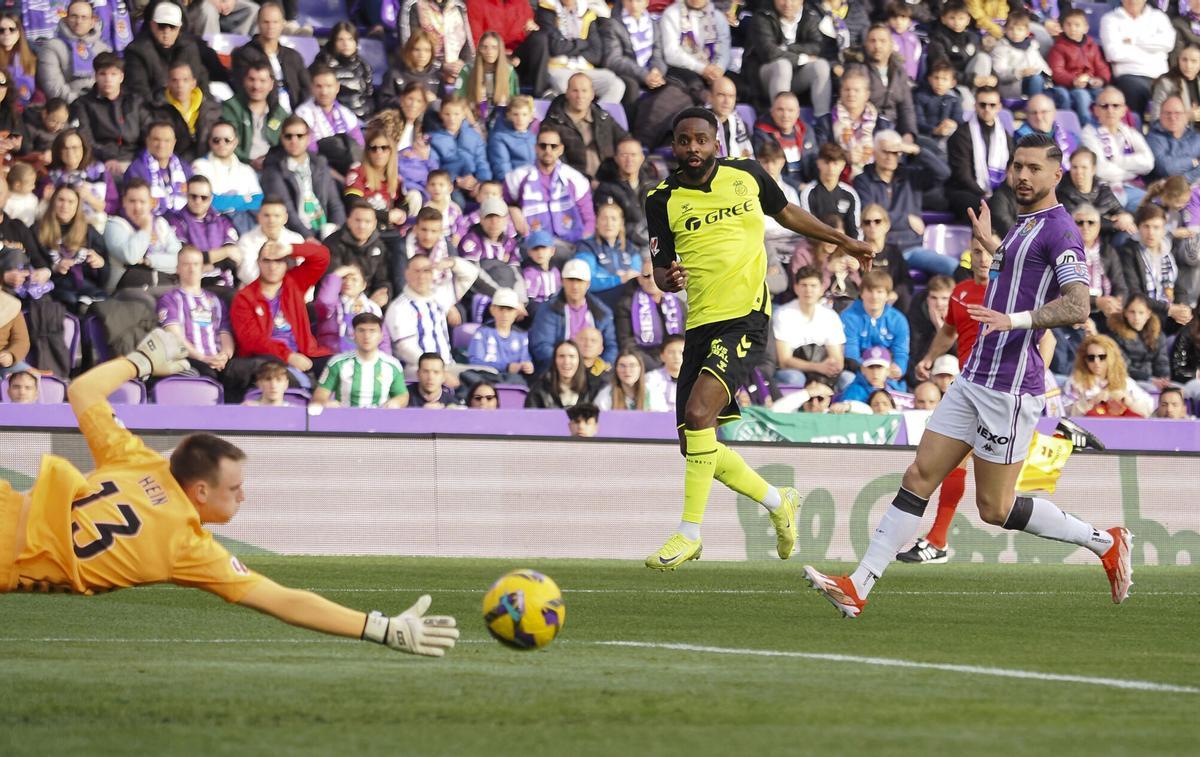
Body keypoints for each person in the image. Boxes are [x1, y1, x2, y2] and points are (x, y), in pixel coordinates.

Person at [804, 133, 1134, 618]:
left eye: (1034, 168)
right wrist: (991, 246)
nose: (1022, 176)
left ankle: (1105, 541)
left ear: (1056, 174)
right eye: (1017, 166)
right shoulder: (1022, 223)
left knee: (995, 509)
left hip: (1010, 388)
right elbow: (1022, 274)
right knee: (919, 475)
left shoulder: (1061, 230)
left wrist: (1014, 321)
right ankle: (858, 586)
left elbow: (1078, 304)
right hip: (974, 376)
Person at [0, 331, 459, 654]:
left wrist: (140, 361)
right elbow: (283, 600)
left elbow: (82, 390)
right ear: (200, 490)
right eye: (235, 488)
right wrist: (380, 629)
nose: (242, 497)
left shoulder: (135, 457)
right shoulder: (187, 547)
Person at [643, 106, 874, 570]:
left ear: (716, 143)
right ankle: (777, 501)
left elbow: (786, 212)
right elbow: (662, 272)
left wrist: (843, 240)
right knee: (694, 442)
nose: (693, 148)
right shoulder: (661, 199)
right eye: (684, 140)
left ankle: (690, 532)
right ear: (674, 146)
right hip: (700, 323)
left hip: (746, 317)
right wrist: (671, 279)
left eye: (701, 139)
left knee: (699, 414)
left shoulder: (746, 174)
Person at [229, 240, 333, 396]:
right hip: (266, 358)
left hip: (305, 354)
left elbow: (322, 255)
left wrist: (290, 248)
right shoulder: (244, 298)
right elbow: (252, 340)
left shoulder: (295, 282)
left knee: (340, 369)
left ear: (286, 264)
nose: (272, 266)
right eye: (267, 261)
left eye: (278, 261)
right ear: (258, 263)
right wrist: (288, 356)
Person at [854, 130, 952, 269]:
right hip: (880, 250)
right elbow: (869, 215)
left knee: (952, 267)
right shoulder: (863, 180)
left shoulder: (911, 176)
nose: (890, 157)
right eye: (885, 151)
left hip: (911, 248)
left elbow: (944, 174)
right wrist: (906, 219)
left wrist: (917, 150)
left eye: (895, 152)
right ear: (874, 152)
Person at [504, 125, 594, 249]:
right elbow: (500, 206)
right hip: (532, 246)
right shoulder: (517, 177)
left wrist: (583, 246)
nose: (548, 150)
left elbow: (588, 218)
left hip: (571, 245)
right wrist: (511, 210)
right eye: (543, 146)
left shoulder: (575, 178)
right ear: (536, 148)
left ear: (561, 149)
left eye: (553, 146)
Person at [260, 116, 346, 241]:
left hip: (325, 229)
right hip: (296, 235)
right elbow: (287, 210)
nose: (294, 141)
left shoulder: (319, 163)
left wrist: (336, 230)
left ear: (308, 137)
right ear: (282, 138)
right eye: (288, 136)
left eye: (299, 136)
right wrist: (308, 237)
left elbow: (335, 203)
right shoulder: (273, 169)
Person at [157, 246, 235, 383]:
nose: (192, 269)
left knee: (240, 372)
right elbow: (175, 337)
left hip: (218, 362)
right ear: (177, 269)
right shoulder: (170, 299)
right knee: (206, 374)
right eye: (186, 264)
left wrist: (224, 356)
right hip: (189, 359)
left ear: (203, 268)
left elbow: (225, 333)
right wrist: (202, 358)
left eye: (196, 264)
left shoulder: (216, 301)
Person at [743, 0, 832, 117]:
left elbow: (816, 47)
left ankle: (822, 119)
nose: (788, 4)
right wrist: (801, 59)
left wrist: (787, 48)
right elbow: (770, 53)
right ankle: (779, 118)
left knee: (821, 65)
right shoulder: (763, 16)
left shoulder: (810, 16)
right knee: (783, 65)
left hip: (796, 76)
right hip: (765, 76)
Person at [529, 259, 617, 374]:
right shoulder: (548, 310)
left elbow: (611, 346)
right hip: (559, 370)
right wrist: (569, 365)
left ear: (588, 284)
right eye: (570, 280)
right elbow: (541, 346)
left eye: (580, 281)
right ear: (562, 281)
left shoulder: (602, 311)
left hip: (594, 371)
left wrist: (601, 366)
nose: (575, 286)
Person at [1117, 203, 1198, 329]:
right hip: (1142, 317)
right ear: (1138, 227)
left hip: (1169, 315)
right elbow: (1134, 293)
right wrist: (1168, 309)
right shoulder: (1128, 252)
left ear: (1164, 229)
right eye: (1146, 226)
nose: (1151, 232)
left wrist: (1183, 307)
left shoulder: (1168, 250)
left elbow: (1179, 286)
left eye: (1156, 227)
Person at [311, 312, 408, 409]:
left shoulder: (393, 365)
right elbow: (319, 395)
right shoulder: (337, 363)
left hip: (380, 418)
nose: (367, 336)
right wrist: (326, 403)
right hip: (344, 417)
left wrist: (396, 402)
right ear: (353, 335)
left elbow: (402, 395)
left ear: (381, 336)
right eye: (361, 330)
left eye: (372, 331)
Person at [544, 73, 630, 180]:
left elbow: (626, 141)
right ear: (567, 93)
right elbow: (557, 161)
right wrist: (585, 181)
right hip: (574, 182)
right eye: (575, 91)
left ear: (592, 94)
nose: (580, 96)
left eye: (584, 91)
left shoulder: (603, 118)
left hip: (610, 180)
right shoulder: (553, 123)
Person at [122, 1, 213, 102]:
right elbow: (139, 94)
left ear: (179, 28)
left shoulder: (190, 47)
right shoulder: (137, 51)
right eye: (161, 25)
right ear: (152, 25)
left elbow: (202, 85)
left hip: (189, 107)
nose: (166, 31)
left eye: (172, 26)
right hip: (154, 108)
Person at [772, 265, 846, 388]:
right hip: (794, 371)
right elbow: (784, 361)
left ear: (822, 289)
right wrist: (817, 367)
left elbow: (837, 360)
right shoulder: (783, 314)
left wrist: (828, 368)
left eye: (813, 286)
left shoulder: (831, 316)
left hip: (823, 371)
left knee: (848, 378)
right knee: (795, 378)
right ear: (796, 288)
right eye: (804, 285)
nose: (808, 290)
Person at [813, 67, 894, 180]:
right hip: (837, 181)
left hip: (874, 181)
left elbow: (891, 158)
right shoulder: (825, 122)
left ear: (867, 94)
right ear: (840, 92)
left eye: (856, 90)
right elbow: (820, 156)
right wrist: (843, 157)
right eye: (847, 89)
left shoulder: (883, 125)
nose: (851, 94)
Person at [946, 87, 1012, 224]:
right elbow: (962, 175)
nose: (987, 109)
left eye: (992, 105)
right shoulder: (961, 135)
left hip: (996, 192)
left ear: (999, 107)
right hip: (965, 191)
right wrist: (985, 194)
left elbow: (1011, 169)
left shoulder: (1004, 136)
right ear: (975, 106)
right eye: (982, 105)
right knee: (985, 207)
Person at [1099, 0, 1175, 119]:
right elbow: (1113, 54)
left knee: (1176, 93)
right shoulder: (1110, 19)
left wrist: (1133, 41)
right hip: (1129, 75)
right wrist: (1152, 51)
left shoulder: (1159, 17)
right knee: (1133, 89)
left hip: (1160, 76)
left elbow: (1168, 43)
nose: (1133, 1)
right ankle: (1134, 128)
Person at [164, 176, 241, 292]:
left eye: (203, 197)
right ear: (186, 195)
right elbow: (185, 258)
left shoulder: (223, 221)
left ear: (211, 198)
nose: (198, 201)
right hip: (191, 286)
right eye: (193, 196)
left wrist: (210, 263)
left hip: (224, 284)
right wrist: (225, 252)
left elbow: (232, 259)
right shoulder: (175, 221)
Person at [72, 53, 146, 172]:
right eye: (103, 74)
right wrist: (107, 157)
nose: (108, 79)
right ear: (96, 76)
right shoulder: (83, 104)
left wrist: (141, 158)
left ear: (121, 77)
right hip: (99, 161)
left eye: (113, 74)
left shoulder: (135, 101)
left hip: (135, 158)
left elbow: (147, 132)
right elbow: (85, 137)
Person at [230, 2, 310, 113]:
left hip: (296, 114)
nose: (271, 26)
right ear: (258, 23)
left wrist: (300, 113)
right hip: (263, 112)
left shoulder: (293, 56)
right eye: (266, 22)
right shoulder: (244, 55)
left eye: (275, 22)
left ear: (282, 24)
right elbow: (245, 89)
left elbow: (307, 88)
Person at [40, 185, 109, 311]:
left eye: (71, 202)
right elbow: (35, 264)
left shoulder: (89, 231)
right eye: (61, 200)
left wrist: (100, 264)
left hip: (87, 288)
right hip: (56, 289)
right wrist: (55, 268)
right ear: (53, 201)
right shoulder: (39, 230)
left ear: (78, 206)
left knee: (104, 303)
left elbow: (104, 276)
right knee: (69, 300)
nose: (65, 205)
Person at [104, 179, 183, 290]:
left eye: (142, 201)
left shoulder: (160, 224)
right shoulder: (114, 225)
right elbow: (131, 257)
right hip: (126, 291)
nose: (137, 207)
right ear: (124, 201)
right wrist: (145, 228)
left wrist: (148, 260)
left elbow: (180, 259)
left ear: (151, 202)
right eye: (132, 201)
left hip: (163, 286)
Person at [294, 65, 365, 178]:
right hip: (321, 172)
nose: (324, 92)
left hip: (352, 170)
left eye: (329, 86)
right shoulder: (302, 115)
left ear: (337, 87)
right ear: (311, 88)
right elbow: (312, 155)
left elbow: (360, 146)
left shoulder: (347, 114)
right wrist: (341, 179)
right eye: (319, 86)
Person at [35, 0, 111, 104]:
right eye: (74, 16)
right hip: (67, 107)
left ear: (92, 22)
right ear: (66, 19)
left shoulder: (103, 49)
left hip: (100, 105)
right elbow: (53, 87)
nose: (78, 21)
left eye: (84, 17)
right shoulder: (51, 47)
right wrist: (80, 105)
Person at [1063, 333, 1154, 417]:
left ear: (1111, 358)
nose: (1096, 362)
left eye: (1102, 357)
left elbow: (1148, 409)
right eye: (1091, 358)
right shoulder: (1075, 382)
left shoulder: (1126, 382)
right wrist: (1091, 402)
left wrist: (1127, 400)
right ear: (1084, 359)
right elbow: (1064, 412)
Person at [1048, 8, 1110, 127]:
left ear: (1085, 28)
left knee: (1106, 96)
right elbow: (1057, 71)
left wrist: (1101, 80)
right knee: (1082, 96)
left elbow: (1101, 66)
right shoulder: (1059, 47)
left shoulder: (1092, 46)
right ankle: (1085, 127)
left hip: (1091, 85)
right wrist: (1074, 80)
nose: (1072, 28)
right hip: (1070, 87)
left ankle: (1104, 127)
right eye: (1068, 25)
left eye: (1077, 25)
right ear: (1062, 27)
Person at [221, 61, 289, 170]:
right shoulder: (231, 108)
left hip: (273, 168)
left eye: (262, 81)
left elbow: (287, 144)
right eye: (251, 79)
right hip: (239, 167)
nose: (256, 86)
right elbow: (226, 143)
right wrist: (250, 162)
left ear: (271, 84)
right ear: (244, 81)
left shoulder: (279, 112)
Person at [1057, 147, 1135, 236]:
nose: (1079, 172)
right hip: (1080, 237)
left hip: (1106, 235)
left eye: (1084, 167)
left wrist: (1124, 216)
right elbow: (1078, 221)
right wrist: (1114, 224)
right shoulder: (1062, 193)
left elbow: (1118, 209)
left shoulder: (1102, 188)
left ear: (1093, 170)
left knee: (1129, 231)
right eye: (1074, 167)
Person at [467, 287, 533, 384]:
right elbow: (475, 362)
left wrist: (528, 366)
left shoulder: (521, 335)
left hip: (513, 382)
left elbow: (525, 359)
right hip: (486, 380)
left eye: (509, 309)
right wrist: (506, 367)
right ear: (492, 310)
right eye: (501, 309)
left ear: (516, 313)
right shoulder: (482, 332)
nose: (505, 314)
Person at [125, 122, 192, 216]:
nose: (161, 145)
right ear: (148, 141)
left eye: (167, 140)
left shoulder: (184, 168)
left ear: (174, 143)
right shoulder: (136, 170)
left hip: (183, 221)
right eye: (156, 139)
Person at [1109, 294, 1172, 391]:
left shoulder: (1158, 335)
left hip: (1155, 380)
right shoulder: (1115, 336)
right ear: (1125, 313)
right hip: (1129, 381)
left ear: (1148, 314)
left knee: (1178, 391)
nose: (1136, 317)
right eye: (1132, 312)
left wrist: (1164, 379)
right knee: (1151, 389)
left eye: (1141, 313)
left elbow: (1162, 362)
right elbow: (1124, 367)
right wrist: (1150, 379)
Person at [799, 143, 862, 241]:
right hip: (816, 246)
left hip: (845, 246)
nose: (831, 168)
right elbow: (809, 228)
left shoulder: (850, 194)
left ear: (843, 165)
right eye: (826, 163)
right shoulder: (808, 193)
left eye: (835, 163)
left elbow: (854, 229)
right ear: (818, 163)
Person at [313, 21, 374, 120]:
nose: (346, 44)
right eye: (340, 39)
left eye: (350, 39)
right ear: (333, 42)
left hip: (365, 117)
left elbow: (369, 95)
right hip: (336, 119)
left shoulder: (364, 66)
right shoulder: (322, 65)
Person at [990, 10, 1051, 100]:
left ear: (1027, 32)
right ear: (1005, 30)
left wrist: (1044, 74)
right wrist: (1020, 72)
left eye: (1020, 29)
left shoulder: (1032, 47)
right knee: (1036, 80)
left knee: (1060, 93)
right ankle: (1035, 105)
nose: (1015, 32)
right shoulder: (1001, 48)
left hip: (1035, 81)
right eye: (1011, 29)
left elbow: (1042, 66)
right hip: (1014, 86)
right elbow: (1000, 73)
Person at [524, 339, 600, 408]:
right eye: (561, 356)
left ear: (579, 361)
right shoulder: (540, 388)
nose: (566, 361)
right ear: (554, 361)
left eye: (572, 356)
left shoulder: (593, 386)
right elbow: (530, 416)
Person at [1146, 96, 1200, 183]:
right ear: (1160, 115)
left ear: (1185, 116)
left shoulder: (1196, 138)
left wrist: (1185, 179)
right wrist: (1195, 161)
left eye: (1177, 113)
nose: (1172, 117)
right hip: (1164, 189)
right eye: (1167, 113)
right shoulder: (1153, 138)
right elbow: (1167, 169)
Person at [1150, 45, 1200, 126]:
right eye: (1184, 60)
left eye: (1194, 61)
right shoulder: (1166, 83)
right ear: (1178, 60)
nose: (1188, 65)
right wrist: (1186, 117)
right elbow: (1155, 120)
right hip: (1176, 133)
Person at [0, 12, 37, 109]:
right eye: (1, 30)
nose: (7, 33)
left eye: (11, 29)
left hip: (27, 108)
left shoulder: (31, 57)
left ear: (18, 33)